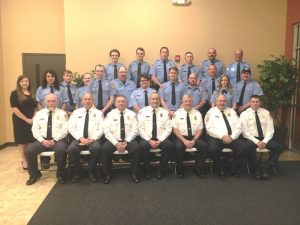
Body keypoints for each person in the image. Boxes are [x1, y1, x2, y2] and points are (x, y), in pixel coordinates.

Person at [205, 95, 255, 178]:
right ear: (216, 102)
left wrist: (232, 137)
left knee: (246, 147)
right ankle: (219, 168)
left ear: (226, 102)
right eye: (220, 101)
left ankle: (233, 167)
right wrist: (222, 136)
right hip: (216, 138)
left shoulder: (232, 111)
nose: (222, 102)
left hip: (232, 137)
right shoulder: (210, 112)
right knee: (212, 149)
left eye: (224, 101)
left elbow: (239, 126)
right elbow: (209, 128)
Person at [25, 94, 68, 185]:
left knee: (62, 149)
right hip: (42, 141)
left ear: (57, 102)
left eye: (53, 101)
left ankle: (61, 175)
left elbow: (65, 129)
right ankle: (34, 174)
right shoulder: (39, 114)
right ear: (45, 102)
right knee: (29, 150)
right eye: (49, 101)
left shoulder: (62, 114)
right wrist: (42, 140)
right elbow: (35, 129)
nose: (51, 103)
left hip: (57, 141)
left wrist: (55, 140)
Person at [240, 95, 284, 179]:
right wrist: (257, 142)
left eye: (257, 102)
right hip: (251, 138)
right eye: (253, 102)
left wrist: (264, 141)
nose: (255, 104)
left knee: (279, 147)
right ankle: (255, 169)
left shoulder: (266, 112)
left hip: (265, 138)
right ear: (250, 103)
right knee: (249, 147)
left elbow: (270, 130)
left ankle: (266, 167)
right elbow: (245, 132)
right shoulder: (244, 114)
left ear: (260, 103)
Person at [102, 95, 141, 184]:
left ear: (126, 103)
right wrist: (116, 143)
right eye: (119, 101)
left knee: (137, 148)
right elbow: (106, 131)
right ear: (115, 103)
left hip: (128, 140)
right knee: (105, 149)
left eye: (123, 101)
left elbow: (135, 130)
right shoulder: (110, 114)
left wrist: (126, 141)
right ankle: (107, 174)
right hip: (114, 140)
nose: (121, 103)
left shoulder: (132, 114)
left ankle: (134, 173)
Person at [67, 93, 104, 183]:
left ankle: (91, 170)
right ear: (82, 101)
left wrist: (93, 139)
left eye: (89, 99)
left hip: (93, 139)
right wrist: (80, 138)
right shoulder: (76, 113)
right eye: (85, 99)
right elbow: (71, 128)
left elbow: (102, 128)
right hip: (78, 139)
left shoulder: (99, 113)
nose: (87, 101)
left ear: (92, 100)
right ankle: (78, 171)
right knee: (71, 149)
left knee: (96, 148)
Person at [35, 69, 68, 168]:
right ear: (45, 77)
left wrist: (60, 113)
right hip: (45, 115)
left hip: (57, 114)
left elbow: (65, 102)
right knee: (45, 133)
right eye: (48, 76)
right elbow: (38, 102)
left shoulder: (61, 88)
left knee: (57, 133)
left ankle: (59, 158)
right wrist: (43, 113)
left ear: (55, 77)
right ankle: (46, 160)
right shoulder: (41, 88)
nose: (50, 78)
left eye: (52, 76)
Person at [138, 92, 173, 179]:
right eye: (153, 99)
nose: (155, 101)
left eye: (157, 99)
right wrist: (149, 140)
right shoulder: (143, 111)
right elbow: (140, 128)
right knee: (142, 146)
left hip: (160, 139)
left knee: (169, 145)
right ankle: (147, 170)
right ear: (150, 100)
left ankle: (161, 169)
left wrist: (160, 140)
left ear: (160, 100)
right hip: (147, 139)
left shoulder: (165, 112)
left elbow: (168, 128)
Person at [172, 94, 208, 178]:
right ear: (182, 102)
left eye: (189, 101)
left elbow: (200, 129)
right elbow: (175, 129)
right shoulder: (177, 113)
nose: (188, 103)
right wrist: (184, 140)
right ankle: (180, 169)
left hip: (194, 137)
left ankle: (198, 168)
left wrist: (194, 140)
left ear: (192, 102)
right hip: (181, 137)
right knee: (178, 147)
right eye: (186, 101)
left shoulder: (197, 113)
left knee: (204, 146)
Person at [10, 75, 37, 170]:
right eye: (22, 81)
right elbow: (14, 108)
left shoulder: (31, 93)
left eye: (26, 81)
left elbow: (35, 107)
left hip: (31, 120)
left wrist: (33, 117)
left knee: (30, 141)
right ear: (19, 83)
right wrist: (26, 119)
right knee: (22, 142)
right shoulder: (15, 93)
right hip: (20, 121)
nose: (25, 83)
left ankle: (29, 159)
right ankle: (24, 160)